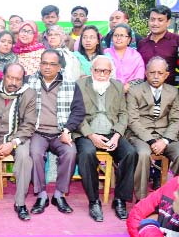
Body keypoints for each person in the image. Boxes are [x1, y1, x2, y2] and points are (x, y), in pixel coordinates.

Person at [73, 55, 138, 222]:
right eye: (98, 70)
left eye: (106, 71)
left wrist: (117, 135)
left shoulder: (117, 86)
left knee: (130, 153)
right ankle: (94, 201)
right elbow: (75, 113)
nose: (101, 74)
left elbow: (123, 113)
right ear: (91, 70)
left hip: (111, 131)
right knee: (86, 154)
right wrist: (91, 135)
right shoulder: (80, 85)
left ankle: (120, 200)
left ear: (111, 72)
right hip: (87, 131)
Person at [28, 49, 85, 215]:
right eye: (44, 63)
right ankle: (42, 194)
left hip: (61, 132)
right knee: (34, 153)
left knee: (70, 152)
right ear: (39, 64)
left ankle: (59, 194)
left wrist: (67, 130)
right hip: (38, 131)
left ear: (59, 66)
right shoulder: (29, 82)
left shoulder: (70, 84)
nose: (47, 67)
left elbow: (78, 111)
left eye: (52, 64)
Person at [0, 63, 36, 221]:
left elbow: (29, 124)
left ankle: (20, 203)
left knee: (24, 158)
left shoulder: (29, 94)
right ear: (3, 76)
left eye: (18, 79)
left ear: (23, 79)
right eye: (10, 77)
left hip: (17, 137)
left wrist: (12, 143)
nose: (13, 82)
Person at [127, 56, 179, 201]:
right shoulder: (134, 91)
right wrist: (150, 140)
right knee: (143, 154)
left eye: (160, 73)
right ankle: (141, 199)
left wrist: (165, 141)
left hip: (166, 136)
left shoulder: (173, 92)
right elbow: (133, 120)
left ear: (167, 75)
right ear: (146, 73)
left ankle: (174, 197)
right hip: (141, 135)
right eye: (152, 72)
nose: (156, 76)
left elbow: (176, 120)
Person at [138, 5, 179, 86]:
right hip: (145, 92)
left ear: (168, 22)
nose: (155, 23)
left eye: (160, 20)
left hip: (170, 92)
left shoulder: (176, 40)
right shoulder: (142, 43)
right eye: (152, 20)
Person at [104, 23, 145, 93]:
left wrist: (125, 88)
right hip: (108, 92)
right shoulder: (105, 54)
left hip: (131, 94)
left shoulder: (135, 55)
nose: (118, 38)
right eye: (116, 35)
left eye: (122, 35)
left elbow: (139, 78)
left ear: (129, 39)